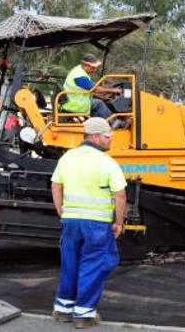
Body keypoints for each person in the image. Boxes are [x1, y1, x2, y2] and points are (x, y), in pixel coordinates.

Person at [50, 117, 127, 328]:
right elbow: (119, 195)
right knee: (94, 265)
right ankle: (83, 314)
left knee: (70, 263)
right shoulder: (106, 162)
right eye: (106, 136)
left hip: (71, 222)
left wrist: (62, 212)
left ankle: (63, 309)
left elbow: (56, 186)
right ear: (94, 136)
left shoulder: (67, 157)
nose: (110, 140)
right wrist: (119, 222)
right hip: (97, 224)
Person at [61, 53, 122, 120]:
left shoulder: (78, 70)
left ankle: (97, 124)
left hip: (70, 103)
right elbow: (96, 89)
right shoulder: (79, 76)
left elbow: (86, 91)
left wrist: (101, 97)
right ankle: (114, 123)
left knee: (98, 101)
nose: (95, 70)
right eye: (93, 67)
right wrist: (113, 90)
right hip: (75, 106)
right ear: (86, 65)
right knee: (99, 104)